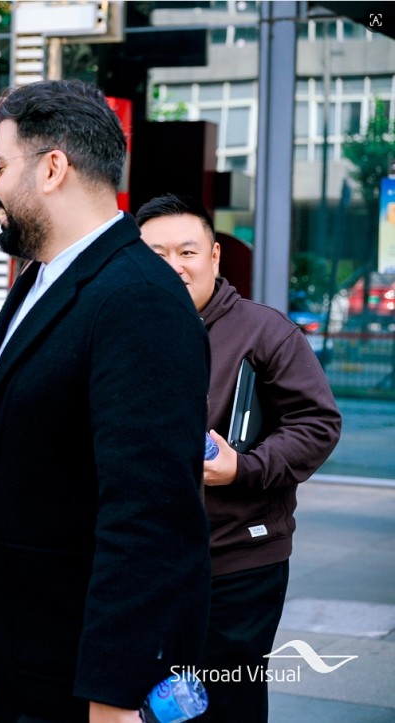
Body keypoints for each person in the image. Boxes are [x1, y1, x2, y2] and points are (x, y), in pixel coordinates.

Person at [0, 80, 213, 723]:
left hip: (85, 676)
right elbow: (5, 432)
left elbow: (150, 514)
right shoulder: (42, 280)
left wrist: (115, 694)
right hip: (30, 656)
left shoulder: (138, 298)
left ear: (53, 168)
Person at [137, 193, 342, 723]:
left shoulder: (264, 330)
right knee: (148, 704)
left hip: (238, 562)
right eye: (157, 255)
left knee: (227, 703)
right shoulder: (123, 330)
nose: (175, 266)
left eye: (187, 251)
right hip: (142, 562)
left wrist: (242, 467)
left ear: (214, 256)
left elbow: (318, 424)